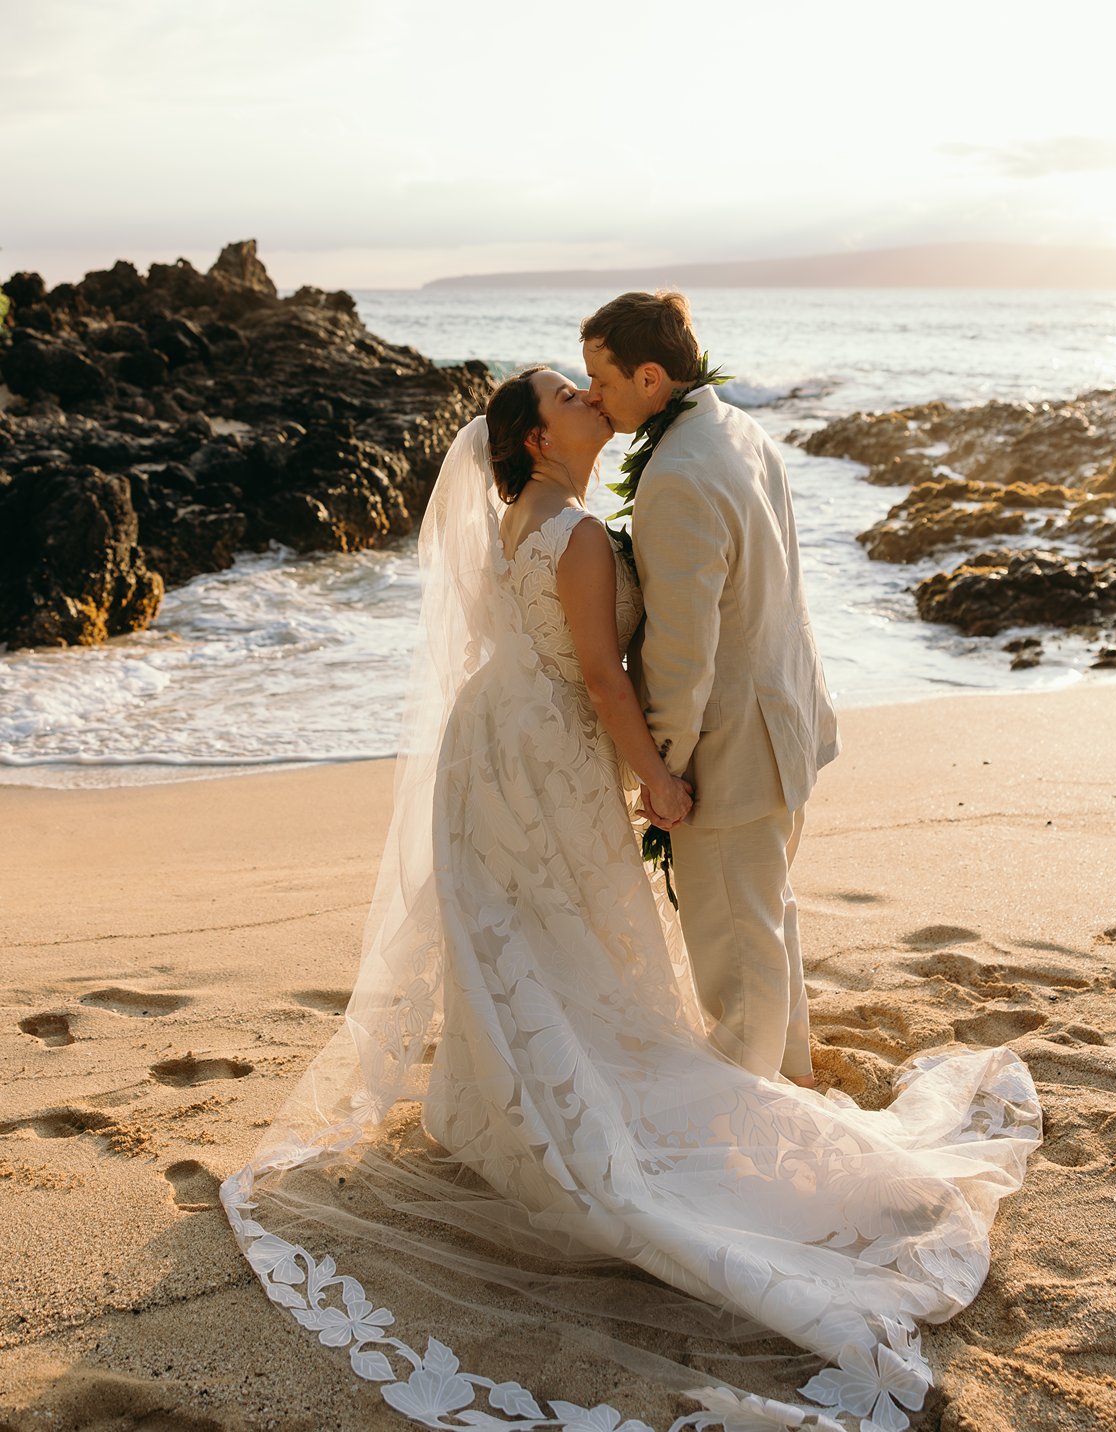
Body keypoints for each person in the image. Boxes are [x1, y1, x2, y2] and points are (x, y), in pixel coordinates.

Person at [221, 357, 1041, 1432]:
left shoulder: (511, 521)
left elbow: (515, 651)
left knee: (515, 934)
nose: (586, 401)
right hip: (547, 752)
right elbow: (604, 679)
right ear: (534, 438)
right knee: (572, 937)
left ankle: (494, 1106)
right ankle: (578, 1120)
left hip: (489, 744)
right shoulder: (580, 537)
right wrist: (656, 778)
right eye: (567, 397)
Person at [580, 291, 840, 1089]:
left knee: (735, 952)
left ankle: (757, 1119)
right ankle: (786, 1083)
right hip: (787, 723)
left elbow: (682, 655)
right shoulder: (741, 429)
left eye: (602, 378)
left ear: (651, 378)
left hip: (732, 751)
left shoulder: (677, 479)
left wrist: (662, 770)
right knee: (767, 923)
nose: (592, 395)